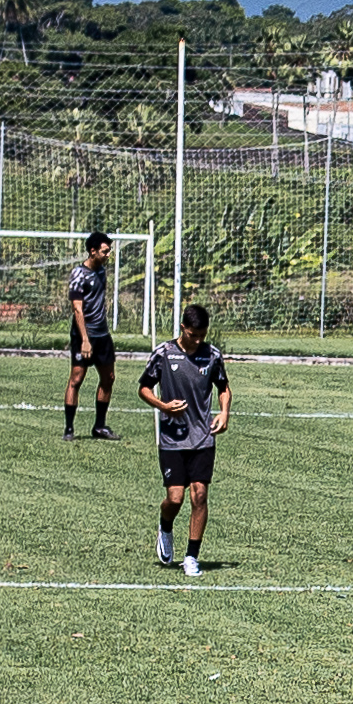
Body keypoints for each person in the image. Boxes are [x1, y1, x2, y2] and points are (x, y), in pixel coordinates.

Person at [142, 307, 231, 574]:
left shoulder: (212, 355)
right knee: (175, 498)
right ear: (183, 328)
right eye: (193, 335)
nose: (198, 340)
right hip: (172, 438)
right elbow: (144, 388)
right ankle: (165, 527)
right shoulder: (163, 353)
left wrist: (224, 412)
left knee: (200, 495)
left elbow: (223, 387)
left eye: (203, 335)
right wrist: (163, 406)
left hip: (203, 437)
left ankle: (191, 556)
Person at [62, 230, 124, 441]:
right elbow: (77, 309)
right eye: (105, 252)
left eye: (109, 251)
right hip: (84, 336)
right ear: (93, 251)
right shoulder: (79, 275)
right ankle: (69, 429)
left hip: (103, 334)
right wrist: (85, 340)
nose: (108, 255)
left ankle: (99, 426)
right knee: (76, 379)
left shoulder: (101, 271)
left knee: (109, 378)